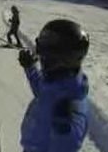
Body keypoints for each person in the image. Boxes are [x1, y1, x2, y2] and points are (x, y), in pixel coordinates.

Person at [18, 19, 90, 152]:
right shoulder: (58, 84)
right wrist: (30, 67)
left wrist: (63, 124)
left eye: (46, 59)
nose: (42, 62)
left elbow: (66, 146)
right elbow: (42, 90)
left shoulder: (68, 112)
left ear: (64, 59)